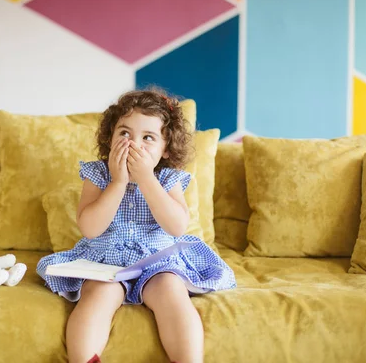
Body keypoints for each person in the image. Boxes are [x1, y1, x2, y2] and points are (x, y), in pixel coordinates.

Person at [36, 89, 236, 363]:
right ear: (110, 137)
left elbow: (177, 226)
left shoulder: (167, 178)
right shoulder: (98, 174)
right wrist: (118, 182)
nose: (134, 145)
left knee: (172, 292)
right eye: (125, 133)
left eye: (148, 138)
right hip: (105, 262)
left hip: (157, 264)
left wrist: (146, 180)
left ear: (165, 148)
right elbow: (90, 228)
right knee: (97, 296)